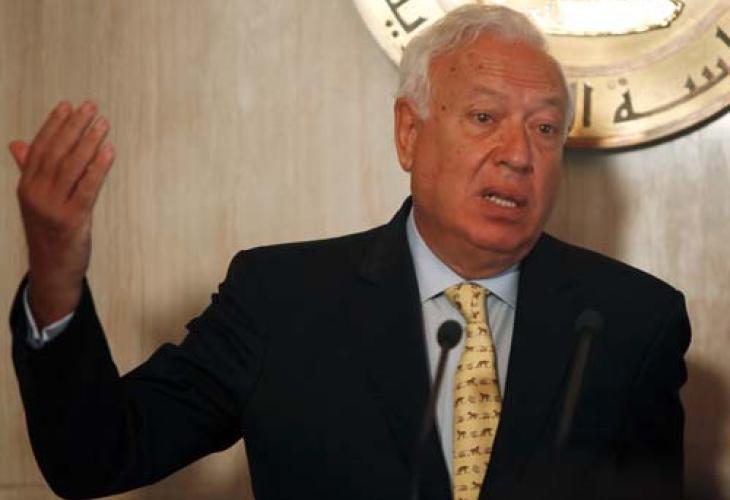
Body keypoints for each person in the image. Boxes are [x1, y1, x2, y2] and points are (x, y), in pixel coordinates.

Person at [8, 5, 689, 500]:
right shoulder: (279, 302)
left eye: (545, 128)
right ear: (409, 134)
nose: (518, 154)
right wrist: (56, 275)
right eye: (484, 118)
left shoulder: (634, 323)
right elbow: (95, 456)